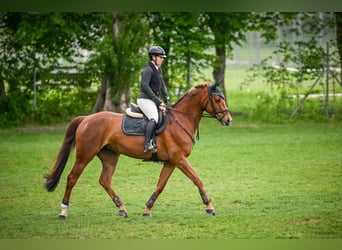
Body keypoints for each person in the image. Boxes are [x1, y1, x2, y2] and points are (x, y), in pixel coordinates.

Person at [137, 46, 169, 153]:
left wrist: (166, 97)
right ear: (153, 57)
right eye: (160, 57)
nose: (162, 59)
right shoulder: (147, 69)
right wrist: (157, 100)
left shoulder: (158, 69)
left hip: (153, 100)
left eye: (162, 57)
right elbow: (145, 86)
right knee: (154, 118)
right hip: (145, 99)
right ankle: (147, 143)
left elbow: (162, 84)